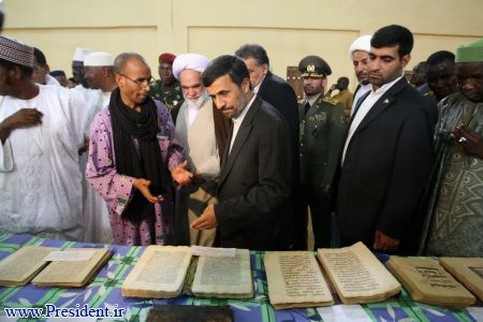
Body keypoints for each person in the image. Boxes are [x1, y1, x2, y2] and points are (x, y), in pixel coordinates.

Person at [337, 25, 437, 255]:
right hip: (350, 215)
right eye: (372, 57)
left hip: (377, 226)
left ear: (405, 60)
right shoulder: (366, 96)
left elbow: (410, 176)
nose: (373, 66)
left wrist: (391, 227)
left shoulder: (415, 108)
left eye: (386, 59)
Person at [86, 52, 192, 246]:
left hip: (161, 202)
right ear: (120, 80)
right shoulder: (104, 122)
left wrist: (175, 167)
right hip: (130, 214)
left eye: (149, 80)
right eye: (140, 81)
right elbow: (97, 174)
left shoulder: (159, 111)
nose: (147, 87)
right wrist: (133, 184)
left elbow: (172, 148)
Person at [191, 55, 293, 250]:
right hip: (238, 232)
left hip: (257, 238)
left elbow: (273, 191)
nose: (219, 104)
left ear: (245, 85)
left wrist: (222, 213)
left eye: (223, 93)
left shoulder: (270, 124)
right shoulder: (237, 114)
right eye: (213, 97)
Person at [0, 35, 87, 240]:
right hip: (13, 223)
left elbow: (80, 143)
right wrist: (6, 126)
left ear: (15, 72)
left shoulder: (66, 100)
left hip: (60, 221)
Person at [235, 44, 302, 249]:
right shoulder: (251, 88)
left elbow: (285, 139)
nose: (244, 77)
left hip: (274, 172)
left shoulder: (279, 90)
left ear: (265, 68)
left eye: (250, 71)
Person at [424, 39, 483, 257]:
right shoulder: (448, 105)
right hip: (439, 213)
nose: (467, 85)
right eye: (461, 78)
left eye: (477, 78)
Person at [298, 55, 346, 249]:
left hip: (320, 180)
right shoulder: (298, 106)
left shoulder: (333, 108)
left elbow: (336, 147)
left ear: (324, 81)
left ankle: (322, 260)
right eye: (306, 77)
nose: (309, 81)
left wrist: (329, 180)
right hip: (300, 177)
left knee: (321, 228)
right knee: (299, 225)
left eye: (315, 78)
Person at [171, 53, 219, 246]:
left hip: (211, 189)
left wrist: (199, 172)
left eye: (196, 86)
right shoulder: (180, 110)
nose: (191, 93)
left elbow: (227, 152)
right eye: (185, 88)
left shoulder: (218, 109)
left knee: (207, 246)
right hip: (184, 190)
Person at [81, 51, 117, 243]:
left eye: (88, 70)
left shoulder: (121, 97)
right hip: (94, 172)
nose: (85, 75)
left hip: (114, 173)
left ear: (104, 71)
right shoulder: (94, 97)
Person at [149, 52, 184, 123]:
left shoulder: (183, 88)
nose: (165, 72)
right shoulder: (151, 88)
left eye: (169, 69)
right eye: (162, 68)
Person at [349, 35, 372, 116]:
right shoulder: (359, 88)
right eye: (356, 63)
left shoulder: (384, 93)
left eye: (365, 62)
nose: (359, 69)